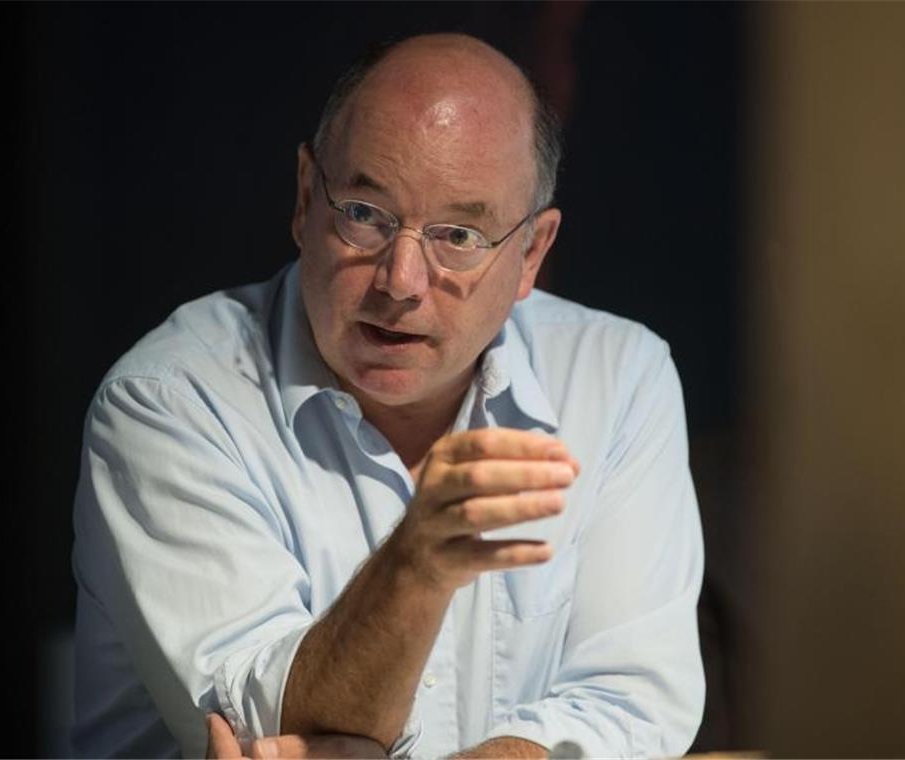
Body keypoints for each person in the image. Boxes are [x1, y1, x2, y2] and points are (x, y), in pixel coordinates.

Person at [72, 33, 704, 759]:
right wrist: (417, 567)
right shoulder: (168, 401)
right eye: (365, 216)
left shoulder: (618, 378)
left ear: (531, 253)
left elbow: (634, 700)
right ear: (308, 197)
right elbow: (272, 727)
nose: (400, 281)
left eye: (458, 235)